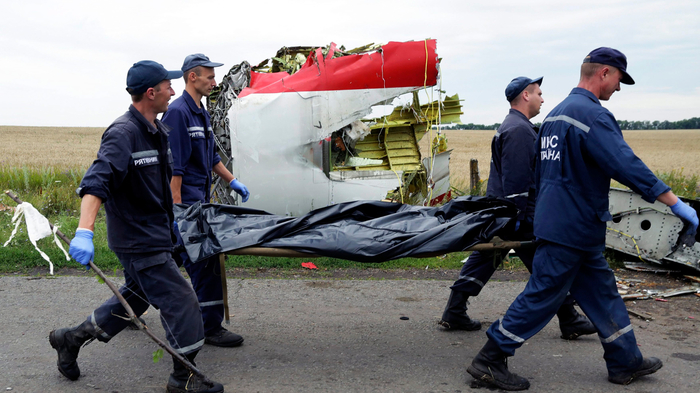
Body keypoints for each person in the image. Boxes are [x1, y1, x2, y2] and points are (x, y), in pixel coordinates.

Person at [467, 47, 699, 391]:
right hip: (571, 227)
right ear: (604, 73)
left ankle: (625, 360)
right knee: (544, 293)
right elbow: (626, 164)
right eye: (619, 79)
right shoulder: (591, 115)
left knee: (603, 292)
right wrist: (675, 202)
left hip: (572, 225)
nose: (618, 88)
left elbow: (541, 173)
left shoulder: (556, 115)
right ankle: (490, 359)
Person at [49, 60, 224, 393]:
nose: (173, 91)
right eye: (167, 86)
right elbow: (95, 184)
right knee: (181, 301)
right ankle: (183, 379)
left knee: (137, 297)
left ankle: (70, 339)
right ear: (151, 92)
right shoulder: (123, 134)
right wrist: (85, 231)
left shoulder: (157, 131)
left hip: (159, 232)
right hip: (137, 239)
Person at [440, 76, 596, 341]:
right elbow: (517, 180)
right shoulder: (518, 130)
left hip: (506, 213)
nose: (542, 99)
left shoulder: (515, 126)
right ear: (525, 95)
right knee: (547, 265)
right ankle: (569, 318)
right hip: (517, 214)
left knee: (485, 259)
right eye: (539, 93)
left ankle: (455, 310)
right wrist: (520, 218)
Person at [162, 53, 248, 348]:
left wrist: (231, 180)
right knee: (204, 262)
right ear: (192, 77)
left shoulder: (200, 111)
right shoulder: (178, 113)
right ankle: (210, 327)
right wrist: (178, 211)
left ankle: (122, 311)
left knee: (160, 267)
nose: (214, 82)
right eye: (209, 77)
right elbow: (175, 168)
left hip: (197, 201)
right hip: (184, 205)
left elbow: (210, 157)